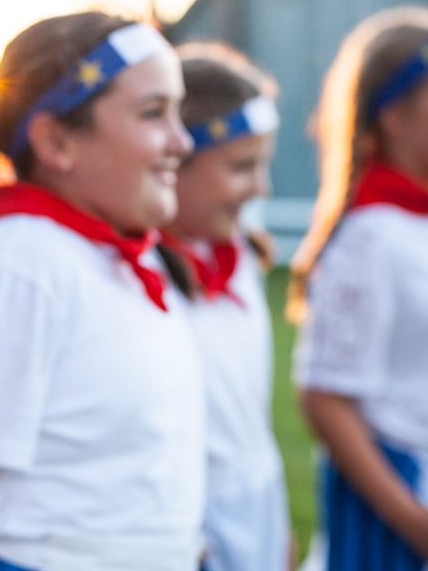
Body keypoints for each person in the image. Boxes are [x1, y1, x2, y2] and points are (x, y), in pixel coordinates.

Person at [0, 12, 205, 571]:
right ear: (57, 141)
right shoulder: (15, 269)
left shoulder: (121, 255)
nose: (182, 141)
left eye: (178, 112)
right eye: (153, 113)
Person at [290, 6, 428, 570]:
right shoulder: (370, 237)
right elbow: (324, 396)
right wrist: (414, 519)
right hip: (407, 500)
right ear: (396, 114)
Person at [156, 42, 290, 571]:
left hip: (255, 507)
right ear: (174, 160)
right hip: (191, 525)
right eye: (241, 166)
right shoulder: (148, 280)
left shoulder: (240, 264)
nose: (261, 186)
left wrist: (273, 524)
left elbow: (250, 424)